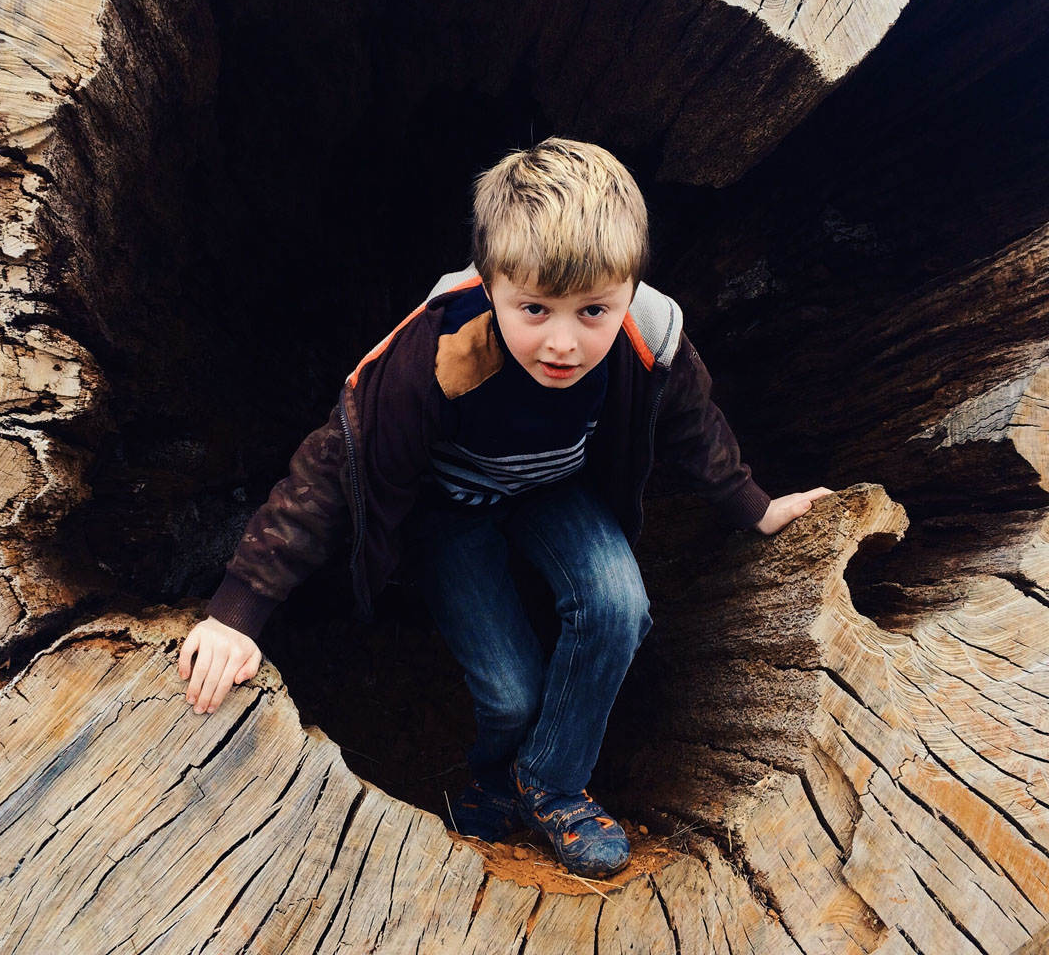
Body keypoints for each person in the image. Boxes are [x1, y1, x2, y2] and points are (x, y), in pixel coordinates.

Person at [177, 137, 830, 879]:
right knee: (512, 692)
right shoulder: (436, 352)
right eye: (534, 309)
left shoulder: (648, 333)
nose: (563, 342)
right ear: (490, 285)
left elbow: (693, 423)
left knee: (620, 606)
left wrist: (754, 506)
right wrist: (239, 610)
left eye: (593, 311)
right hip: (453, 508)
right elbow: (329, 467)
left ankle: (551, 783)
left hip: (558, 490)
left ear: (628, 288)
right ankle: (494, 771)